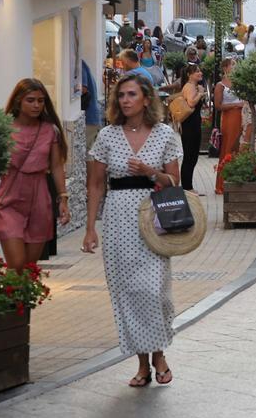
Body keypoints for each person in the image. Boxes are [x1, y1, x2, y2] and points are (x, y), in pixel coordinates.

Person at [83, 73, 183, 387]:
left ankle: (159, 354)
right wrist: (89, 228)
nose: (125, 101)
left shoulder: (165, 134)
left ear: (145, 99)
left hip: (154, 219)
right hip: (118, 218)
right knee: (127, 292)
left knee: (154, 291)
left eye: (131, 95)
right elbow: (96, 185)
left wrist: (151, 171)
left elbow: (174, 183)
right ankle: (143, 363)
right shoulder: (107, 136)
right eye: (121, 96)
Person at [0, 79, 70, 270]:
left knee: (28, 267)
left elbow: (56, 166)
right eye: (30, 100)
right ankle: (11, 298)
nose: (37, 105)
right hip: (10, 200)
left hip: (40, 199)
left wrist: (63, 198)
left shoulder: (50, 131)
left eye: (41, 101)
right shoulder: (3, 129)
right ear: (18, 101)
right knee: (16, 264)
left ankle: (16, 300)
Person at [214, 59, 245, 195]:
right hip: (229, 117)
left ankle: (238, 182)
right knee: (228, 147)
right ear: (225, 68)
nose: (235, 67)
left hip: (242, 116)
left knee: (240, 148)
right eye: (232, 64)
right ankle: (222, 184)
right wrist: (235, 105)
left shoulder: (239, 82)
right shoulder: (220, 85)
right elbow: (218, 106)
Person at [176, 64, 206, 192]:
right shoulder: (189, 87)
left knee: (192, 156)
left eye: (200, 71)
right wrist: (200, 93)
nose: (200, 73)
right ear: (189, 75)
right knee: (189, 156)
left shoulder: (193, 86)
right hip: (190, 125)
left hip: (192, 124)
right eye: (196, 72)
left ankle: (188, 185)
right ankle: (187, 187)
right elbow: (191, 103)